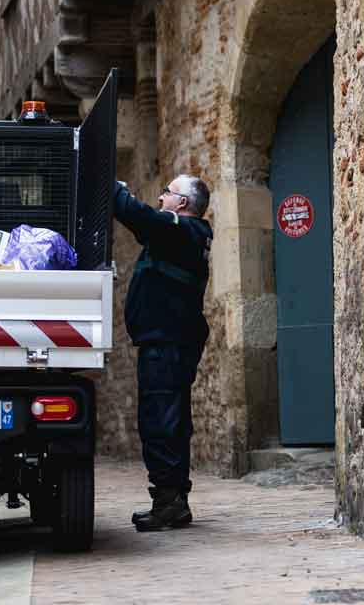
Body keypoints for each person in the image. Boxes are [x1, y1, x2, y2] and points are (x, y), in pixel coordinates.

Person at [113, 174, 213, 532]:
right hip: (170, 341)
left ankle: (168, 501)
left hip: (167, 344)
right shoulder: (182, 236)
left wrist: (112, 187)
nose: (160, 197)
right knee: (171, 420)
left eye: (167, 193)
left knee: (161, 421)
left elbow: (137, 214)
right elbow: (146, 222)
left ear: (182, 203)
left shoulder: (181, 231)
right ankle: (174, 501)